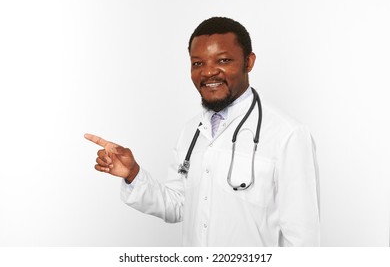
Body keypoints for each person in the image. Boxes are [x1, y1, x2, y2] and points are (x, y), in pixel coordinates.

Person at [85, 17, 320, 246]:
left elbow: (302, 239)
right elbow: (178, 205)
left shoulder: (288, 135)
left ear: (248, 62)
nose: (208, 72)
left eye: (224, 60)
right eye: (198, 63)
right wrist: (133, 174)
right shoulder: (191, 131)